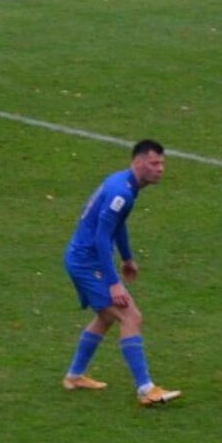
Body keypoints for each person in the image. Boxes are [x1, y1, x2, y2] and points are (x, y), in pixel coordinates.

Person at [59, 139, 180, 406]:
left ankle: (74, 375)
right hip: (86, 262)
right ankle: (145, 389)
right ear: (137, 162)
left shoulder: (124, 184)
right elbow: (102, 238)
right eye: (154, 163)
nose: (160, 169)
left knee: (106, 317)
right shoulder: (121, 193)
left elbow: (117, 225)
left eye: (162, 163)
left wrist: (127, 257)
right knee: (130, 316)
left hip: (82, 258)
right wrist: (114, 282)